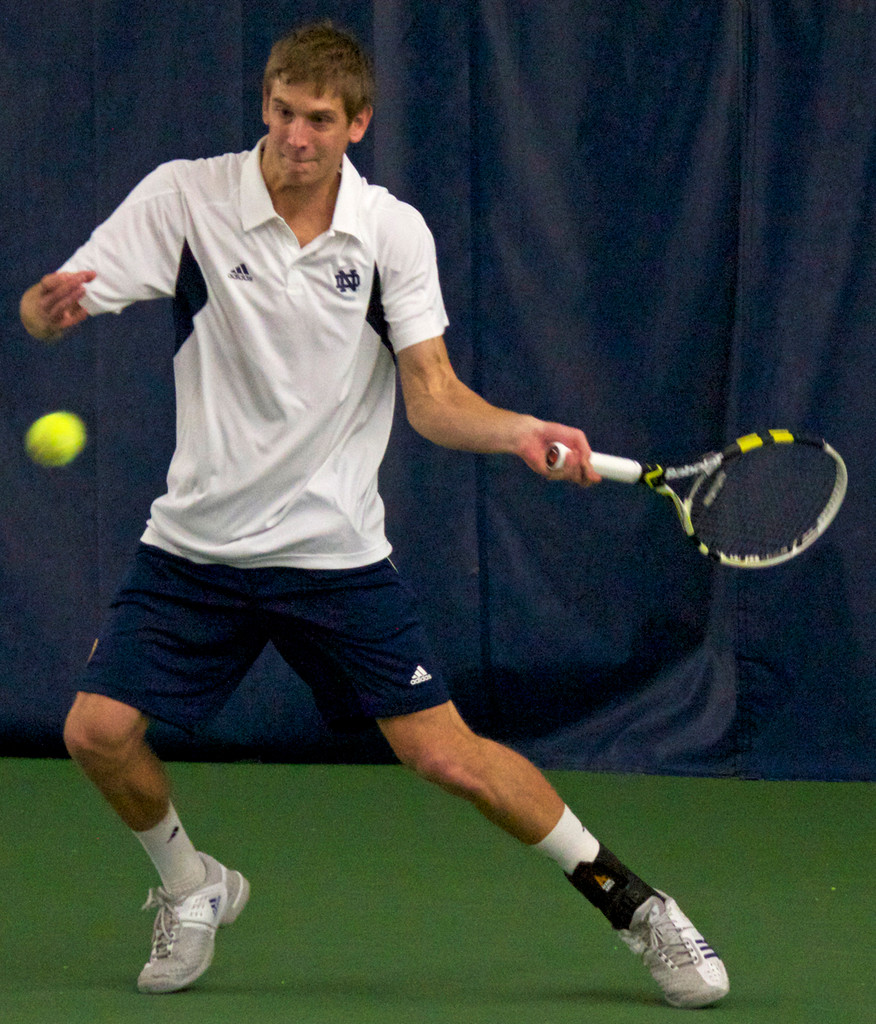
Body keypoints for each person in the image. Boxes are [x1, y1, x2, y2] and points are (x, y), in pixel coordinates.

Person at [19, 21, 729, 1009]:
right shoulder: (188, 198)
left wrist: (520, 430)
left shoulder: (391, 231)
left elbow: (432, 396)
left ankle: (636, 904)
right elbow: (57, 300)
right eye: (281, 110)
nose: (295, 134)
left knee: (450, 757)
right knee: (95, 731)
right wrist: (50, 309)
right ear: (263, 103)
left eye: (318, 118)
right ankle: (193, 885)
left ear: (357, 123)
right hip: (194, 548)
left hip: (333, 554)